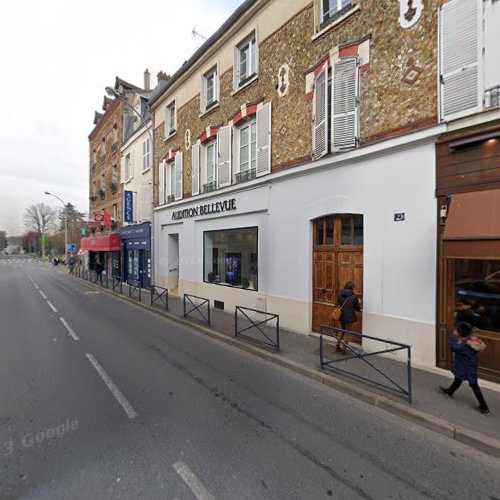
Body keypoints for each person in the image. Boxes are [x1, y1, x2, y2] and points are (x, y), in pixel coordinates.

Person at [439, 321, 490, 415]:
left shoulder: (465, 345)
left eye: (456, 330)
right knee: (458, 378)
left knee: (474, 385)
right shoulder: (468, 340)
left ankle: (484, 407)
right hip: (466, 366)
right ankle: (450, 391)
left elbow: (453, 347)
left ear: (461, 333)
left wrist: (453, 337)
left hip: (468, 368)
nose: (454, 331)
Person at [336, 281, 361, 354]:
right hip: (349, 317)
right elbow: (357, 308)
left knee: (342, 330)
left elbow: (339, 303)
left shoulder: (340, 294)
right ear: (352, 288)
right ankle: (344, 349)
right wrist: (358, 303)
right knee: (347, 333)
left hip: (341, 315)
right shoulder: (354, 296)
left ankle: (337, 345)